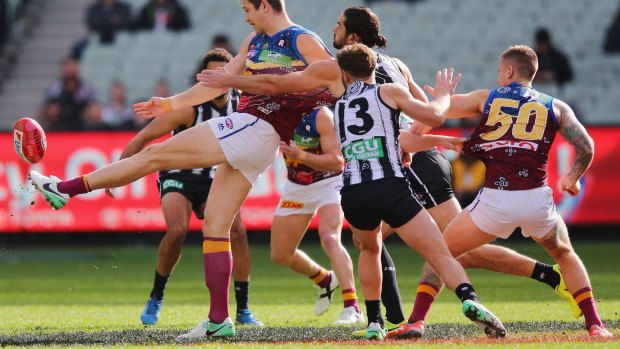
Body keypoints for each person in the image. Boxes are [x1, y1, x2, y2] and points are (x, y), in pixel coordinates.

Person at [198, 6, 580, 339]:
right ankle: (395, 319)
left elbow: (410, 120)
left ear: (353, 37)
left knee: (446, 247)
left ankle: (544, 277)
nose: (331, 30)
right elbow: (422, 108)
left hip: (401, 163)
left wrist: (420, 143)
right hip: (402, 157)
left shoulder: (342, 73)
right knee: (382, 243)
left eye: (337, 25)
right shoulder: (396, 65)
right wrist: (432, 139)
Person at [30, 0, 338, 339]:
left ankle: (64, 189)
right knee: (215, 226)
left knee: (156, 155)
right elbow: (218, 84)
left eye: (247, 10)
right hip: (259, 141)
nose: (246, 17)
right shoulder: (253, 43)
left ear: (265, 5)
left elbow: (333, 78)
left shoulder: (302, 39)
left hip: (255, 126)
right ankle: (219, 321)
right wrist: (170, 103)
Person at [412, 44, 613, 339]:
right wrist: (572, 178)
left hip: (496, 199)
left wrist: (440, 97)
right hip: (537, 199)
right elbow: (586, 146)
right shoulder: (556, 106)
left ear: (508, 70)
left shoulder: (486, 98)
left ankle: (416, 322)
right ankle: (596, 324)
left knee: (441, 254)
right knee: (565, 253)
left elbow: (436, 113)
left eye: (499, 71)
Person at [334, 43, 506, 340]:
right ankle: (469, 299)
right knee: (440, 253)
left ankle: (374, 322)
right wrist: (443, 96)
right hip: (389, 187)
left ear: (344, 74)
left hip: (353, 192)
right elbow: (433, 115)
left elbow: (388, 140)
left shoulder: (338, 106)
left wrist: (433, 141)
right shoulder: (388, 92)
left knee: (370, 248)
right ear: (374, 69)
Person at [102, 49, 262, 327]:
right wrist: (116, 174)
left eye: (223, 75)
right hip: (179, 175)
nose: (218, 81)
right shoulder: (190, 108)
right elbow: (145, 137)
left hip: (216, 177)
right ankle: (157, 295)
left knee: (237, 231)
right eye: (211, 77)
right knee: (177, 230)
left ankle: (244, 307)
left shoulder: (244, 105)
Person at [270, 106, 363, 325]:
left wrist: (300, 154)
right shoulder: (272, 111)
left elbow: (337, 161)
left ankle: (353, 308)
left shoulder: (320, 115)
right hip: (297, 186)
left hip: (330, 181)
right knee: (280, 255)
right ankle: (325, 279)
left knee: (330, 238)